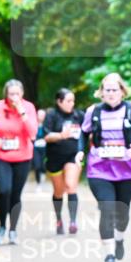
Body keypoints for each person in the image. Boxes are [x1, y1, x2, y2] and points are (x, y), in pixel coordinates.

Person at [81, 73, 131, 262]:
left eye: (114, 90)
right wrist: (80, 151)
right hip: (99, 168)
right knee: (107, 207)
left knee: (122, 211)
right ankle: (109, 254)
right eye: (107, 90)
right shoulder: (93, 111)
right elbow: (84, 134)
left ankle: (119, 239)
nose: (110, 93)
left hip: (126, 170)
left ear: (122, 92)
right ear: (101, 93)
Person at [0, 80, 38, 245]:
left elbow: (33, 133)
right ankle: (1, 227)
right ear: (6, 94)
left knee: (15, 194)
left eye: (17, 94)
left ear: (22, 94)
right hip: (0, 156)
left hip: (22, 157)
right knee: (4, 190)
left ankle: (13, 230)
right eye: (11, 94)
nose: (14, 97)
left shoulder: (28, 107)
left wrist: (22, 113)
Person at [42, 88, 85, 234]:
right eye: (68, 101)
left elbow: (87, 132)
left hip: (72, 156)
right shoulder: (51, 115)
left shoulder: (79, 115)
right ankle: (59, 219)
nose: (72, 104)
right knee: (59, 192)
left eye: (73, 100)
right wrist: (61, 135)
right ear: (59, 101)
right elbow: (46, 136)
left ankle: (73, 222)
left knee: (70, 185)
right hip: (54, 158)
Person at [32, 108, 48, 189]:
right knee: (37, 165)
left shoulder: (47, 125)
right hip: (36, 148)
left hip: (45, 148)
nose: (40, 116)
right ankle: (38, 183)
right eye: (39, 114)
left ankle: (42, 180)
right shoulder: (33, 124)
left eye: (42, 115)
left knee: (43, 165)